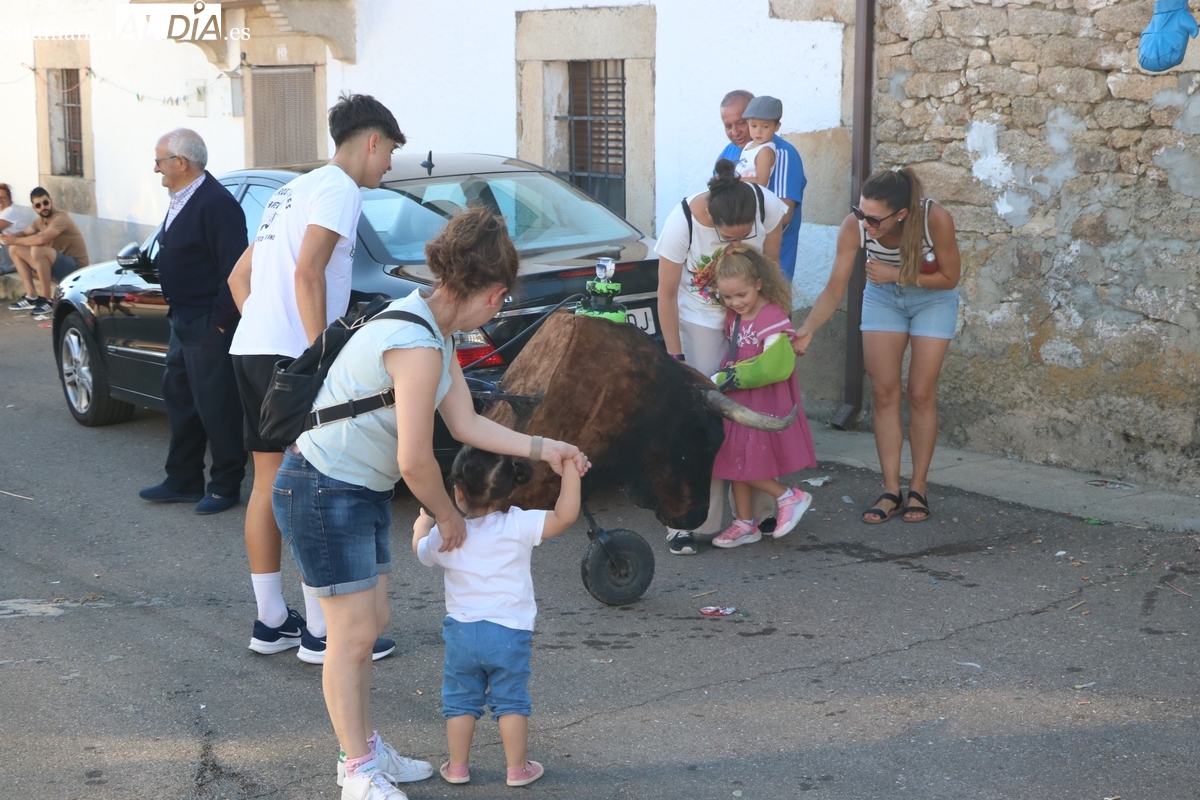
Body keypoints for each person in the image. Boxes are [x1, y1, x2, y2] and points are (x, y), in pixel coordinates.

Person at [272, 208, 590, 800]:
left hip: (352, 486)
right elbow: (415, 461)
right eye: (502, 301)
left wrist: (546, 447)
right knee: (351, 636)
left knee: (370, 626)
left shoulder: (431, 325)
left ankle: (365, 749)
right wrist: (448, 515)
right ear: (494, 293)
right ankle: (356, 769)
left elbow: (465, 422)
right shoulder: (418, 343)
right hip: (323, 487)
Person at [227, 93, 404, 662]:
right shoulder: (340, 188)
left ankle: (271, 621)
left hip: (252, 348)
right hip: (292, 356)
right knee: (310, 482)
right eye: (390, 151)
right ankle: (322, 633)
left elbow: (238, 278)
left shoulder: (290, 190)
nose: (389, 165)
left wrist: (265, 325)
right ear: (372, 140)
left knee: (268, 484)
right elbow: (309, 273)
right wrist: (320, 358)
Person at [793, 167, 961, 524]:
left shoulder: (934, 219)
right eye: (860, 212)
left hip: (933, 300)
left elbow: (949, 277)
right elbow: (834, 288)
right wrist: (808, 328)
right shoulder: (855, 226)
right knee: (884, 393)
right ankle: (891, 490)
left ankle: (918, 488)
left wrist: (897, 273)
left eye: (873, 218)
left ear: (901, 214)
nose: (865, 223)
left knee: (920, 392)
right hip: (883, 300)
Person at [413, 446, 580, 788]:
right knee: (511, 700)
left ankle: (457, 767)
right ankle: (517, 769)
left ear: (458, 492)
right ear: (509, 488)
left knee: (460, 700)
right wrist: (571, 472)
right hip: (509, 634)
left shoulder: (448, 533)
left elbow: (421, 552)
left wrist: (423, 524)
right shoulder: (519, 524)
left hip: (462, 634)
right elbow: (565, 516)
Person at [655, 158, 788, 555]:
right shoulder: (682, 222)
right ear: (712, 221)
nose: (736, 245)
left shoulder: (767, 206)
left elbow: (772, 270)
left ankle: (760, 513)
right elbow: (665, 294)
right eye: (728, 237)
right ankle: (688, 520)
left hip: (749, 318)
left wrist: (778, 328)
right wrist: (675, 356)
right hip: (700, 321)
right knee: (703, 421)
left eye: (745, 236)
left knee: (751, 411)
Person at [137, 129, 249, 515]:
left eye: (159, 161)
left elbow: (234, 268)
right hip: (182, 319)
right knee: (181, 399)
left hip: (207, 323)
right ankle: (182, 479)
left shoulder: (216, 203)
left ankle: (225, 485)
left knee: (217, 406)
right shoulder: (181, 198)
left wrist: (219, 322)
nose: (156, 169)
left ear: (180, 163)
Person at [708, 246, 816, 548]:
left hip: (760, 398)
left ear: (758, 283)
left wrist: (727, 378)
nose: (735, 302)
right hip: (739, 396)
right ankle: (745, 522)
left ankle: (788, 496)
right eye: (727, 297)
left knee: (742, 458)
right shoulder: (735, 315)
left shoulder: (771, 315)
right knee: (734, 456)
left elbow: (771, 365)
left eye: (741, 294)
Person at [718, 90, 807, 282]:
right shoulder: (730, 151)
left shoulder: (781, 153)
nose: (735, 132)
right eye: (728, 126)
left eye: (741, 123)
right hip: (734, 266)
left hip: (768, 265)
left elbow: (784, 216)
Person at [2, 187, 89, 315]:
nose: (43, 207)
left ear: (51, 201)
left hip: (76, 269)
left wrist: (15, 240)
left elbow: (42, 239)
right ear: (34, 207)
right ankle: (31, 297)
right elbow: (24, 233)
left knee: (38, 249)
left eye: (45, 203)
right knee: (14, 248)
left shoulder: (61, 218)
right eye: (38, 205)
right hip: (57, 267)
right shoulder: (40, 221)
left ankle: (47, 300)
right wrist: (12, 237)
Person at [734, 95, 782, 187]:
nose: (758, 131)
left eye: (765, 126)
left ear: (777, 126)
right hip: (740, 190)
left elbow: (761, 182)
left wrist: (732, 180)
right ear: (748, 123)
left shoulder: (765, 151)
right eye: (754, 126)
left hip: (751, 194)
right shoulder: (749, 145)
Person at [0, 183, 34, 274]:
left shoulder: (11, 211)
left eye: (3, 198)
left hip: (15, 252)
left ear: (10, 199)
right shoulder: (3, 211)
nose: (0, 201)